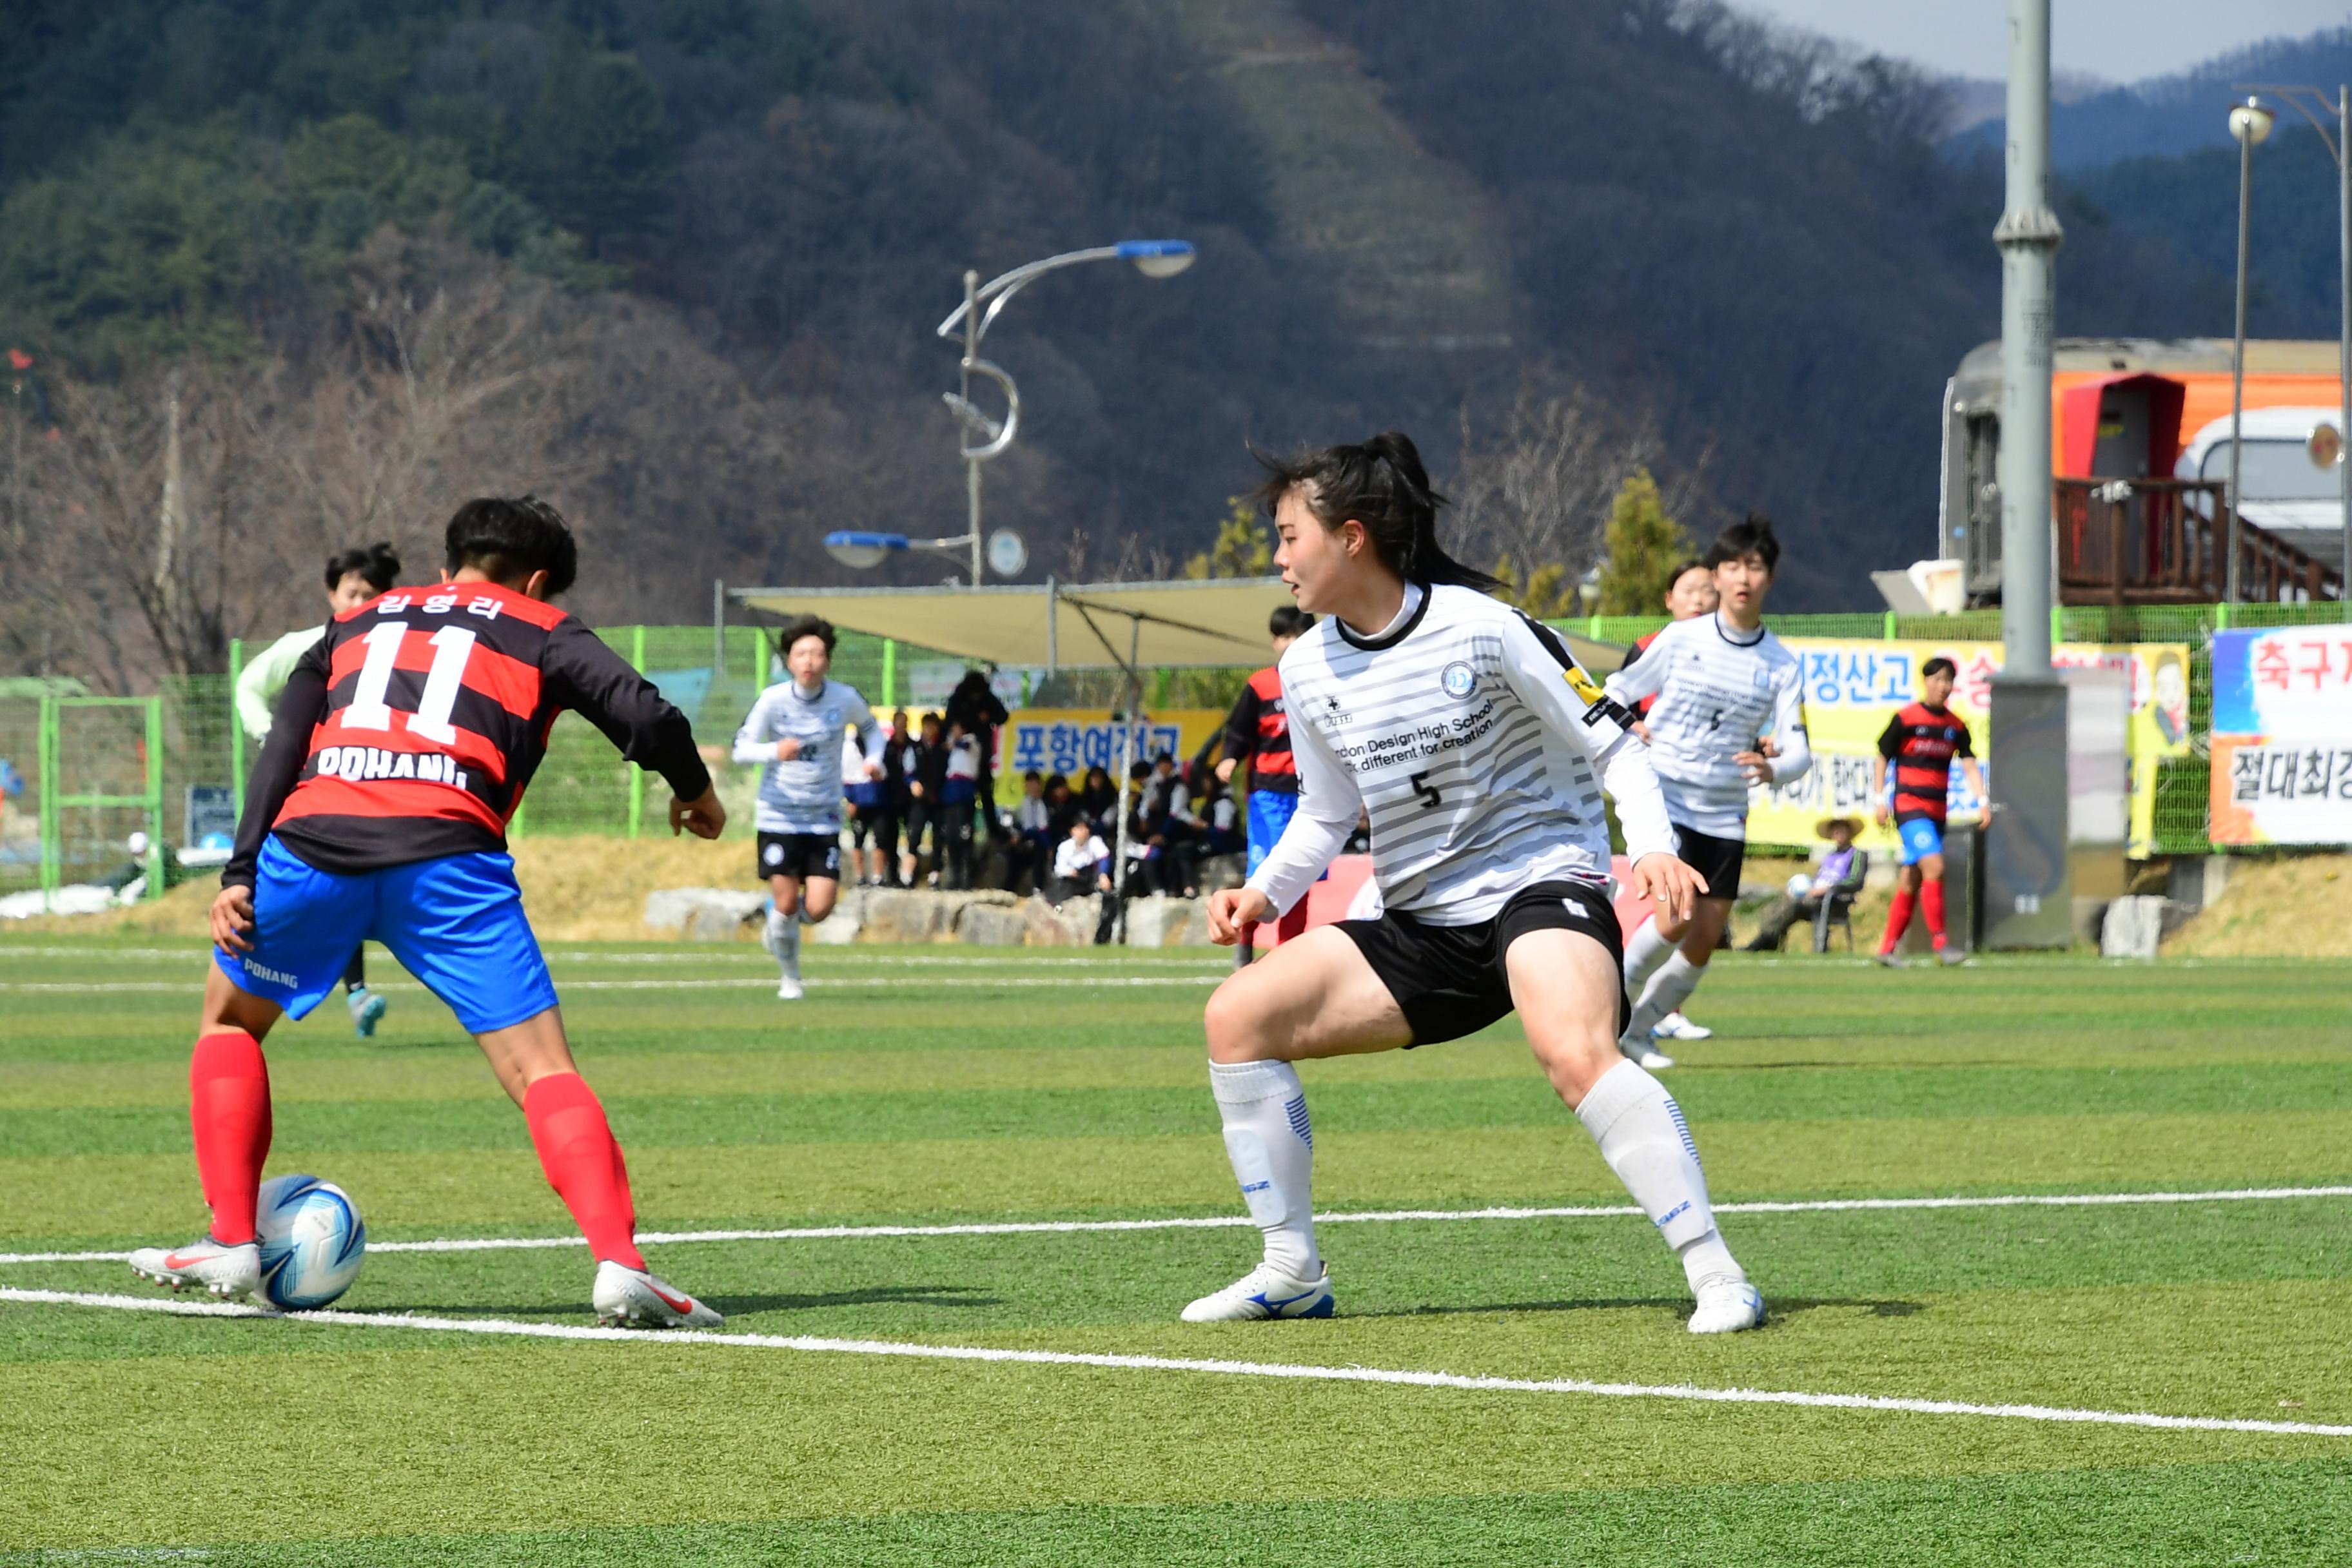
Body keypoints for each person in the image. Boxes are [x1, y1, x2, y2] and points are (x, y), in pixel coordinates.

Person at [1189, 432, 1759, 1335]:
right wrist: (1261, 893)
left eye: (1289, 535)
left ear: (1351, 537)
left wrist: (1650, 846)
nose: (1279, 557)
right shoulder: (1305, 669)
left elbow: (1615, 742)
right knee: (1237, 1019)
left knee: (1574, 1052)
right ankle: (1291, 1270)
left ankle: (1718, 1274)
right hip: (1423, 925)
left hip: (1540, 887)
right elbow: (1326, 814)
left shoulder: (1486, 628)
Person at [130, 496, 729, 1328]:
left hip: (311, 848)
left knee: (229, 1024)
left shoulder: (357, 620)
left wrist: (239, 869)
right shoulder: (541, 627)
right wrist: (696, 793)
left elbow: (285, 744)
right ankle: (619, 1266)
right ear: (542, 580)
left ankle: (231, 1236)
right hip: (449, 861)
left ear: (447, 566)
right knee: (542, 1072)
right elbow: (646, 715)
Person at [1603, 516, 1810, 1071]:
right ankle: (1607, 1012)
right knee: (1675, 916)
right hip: (1665, 794)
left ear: (1769, 578)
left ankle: (1639, 1030)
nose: (1744, 577)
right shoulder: (1681, 638)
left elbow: (1800, 752)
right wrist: (1630, 725)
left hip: (1724, 809)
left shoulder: (1783, 664)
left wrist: (1775, 772)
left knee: (1705, 935)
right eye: (1733, 566)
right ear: (1717, 576)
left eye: (1756, 566)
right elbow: (1617, 690)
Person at [233, 543, 404, 1037]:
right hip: (303, 790)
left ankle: (353, 992)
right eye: (352, 593)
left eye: (370, 596)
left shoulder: (397, 652)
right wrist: (269, 735)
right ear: (332, 593)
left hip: (363, 789)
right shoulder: (309, 645)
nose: (358, 605)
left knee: (350, 881)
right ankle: (284, 984)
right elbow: (249, 683)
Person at [733, 616, 881, 1000]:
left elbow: (871, 729)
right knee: (784, 902)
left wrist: (875, 760)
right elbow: (741, 748)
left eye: (817, 654)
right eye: (801, 654)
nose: (809, 661)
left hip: (823, 817)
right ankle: (791, 978)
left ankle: (779, 929)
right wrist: (774, 751)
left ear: (828, 661)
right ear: (789, 661)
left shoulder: (844, 698)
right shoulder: (773, 700)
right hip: (778, 815)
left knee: (818, 908)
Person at [1620, 557, 1720, 1044]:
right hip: (1659, 796)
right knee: (1674, 906)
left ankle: (1662, 1009)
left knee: (1701, 916)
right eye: (1690, 590)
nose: (1700, 600)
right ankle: (1629, 1009)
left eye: (1708, 591)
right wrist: (1629, 725)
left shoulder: (1730, 657)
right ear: (1669, 599)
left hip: (1713, 801)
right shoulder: (1647, 649)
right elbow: (1610, 706)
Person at [1873, 655, 1984, 967]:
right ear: (1926, 682)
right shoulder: (1906, 718)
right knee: (1934, 867)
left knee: (1911, 879)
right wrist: (1879, 800)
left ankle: (1887, 950)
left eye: (1948, 680)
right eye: (1937, 679)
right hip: (1909, 808)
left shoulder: (1955, 725)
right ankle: (1942, 945)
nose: (1943, 686)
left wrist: (1983, 801)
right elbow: (1882, 756)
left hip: (1937, 813)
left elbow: (1970, 763)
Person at [1218, 605, 1316, 957]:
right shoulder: (1260, 686)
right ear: (1275, 641)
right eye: (1285, 636)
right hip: (1268, 796)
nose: (1292, 643)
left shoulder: (1325, 684)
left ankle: (1288, 954)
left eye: (1299, 635)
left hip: (1313, 797)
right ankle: (1244, 947)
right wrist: (1230, 757)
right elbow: (1239, 731)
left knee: (1301, 878)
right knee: (1264, 875)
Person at [1743, 816, 1865, 951]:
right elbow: (1818, 880)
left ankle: (1766, 942)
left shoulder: (1857, 854)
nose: (1838, 833)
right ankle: (1769, 939)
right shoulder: (1830, 856)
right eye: (1835, 830)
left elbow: (1856, 881)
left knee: (1793, 905)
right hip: (1814, 897)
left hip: (1836, 900)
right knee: (1779, 903)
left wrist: (1829, 889)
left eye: (1841, 830)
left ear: (1849, 832)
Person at [905, 713, 948, 885]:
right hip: (919, 800)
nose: (930, 730)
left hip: (938, 799)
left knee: (938, 838)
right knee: (914, 836)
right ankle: (908, 874)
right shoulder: (914, 747)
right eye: (927, 726)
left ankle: (935, 875)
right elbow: (908, 772)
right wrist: (913, 783)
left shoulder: (943, 750)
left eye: (934, 726)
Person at [939, 722, 983, 888]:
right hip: (951, 792)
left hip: (964, 791)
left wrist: (953, 741)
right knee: (951, 835)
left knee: (965, 835)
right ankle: (954, 874)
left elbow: (965, 745)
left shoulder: (972, 741)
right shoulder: (952, 745)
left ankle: (967, 877)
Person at [875, 709, 916, 886]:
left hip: (909, 799)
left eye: (904, 723)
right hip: (890, 799)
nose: (901, 727)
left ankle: (908, 876)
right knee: (889, 838)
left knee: (913, 836)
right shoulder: (886, 748)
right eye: (898, 723)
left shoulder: (914, 746)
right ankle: (892, 875)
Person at [843, 725, 887, 885]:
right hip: (859, 797)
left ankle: (878, 875)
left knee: (880, 838)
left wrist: (878, 774)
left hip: (877, 796)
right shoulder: (849, 746)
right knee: (858, 838)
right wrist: (850, 800)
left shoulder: (879, 742)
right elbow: (846, 775)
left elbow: (885, 771)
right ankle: (860, 876)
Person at [1049, 817, 1112, 904]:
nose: (1083, 832)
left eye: (1085, 828)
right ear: (1072, 831)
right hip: (1073, 879)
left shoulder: (1095, 841)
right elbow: (1059, 868)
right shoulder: (1064, 847)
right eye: (1079, 829)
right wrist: (1070, 872)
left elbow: (1104, 857)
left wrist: (1103, 876)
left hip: (1091, 877)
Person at [1011, 770, 1054, 892]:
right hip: (1028, 838)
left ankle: (1038, 888)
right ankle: (1011, 889)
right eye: (1029, 784)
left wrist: (1049, 846)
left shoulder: (1045, 801)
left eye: (1035, 784)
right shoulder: (1025, 802)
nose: (1032, 787)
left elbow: (1043, 828)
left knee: (1039, 851)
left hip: (1044, 840)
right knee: (1014, 853)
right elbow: (1023, 825)